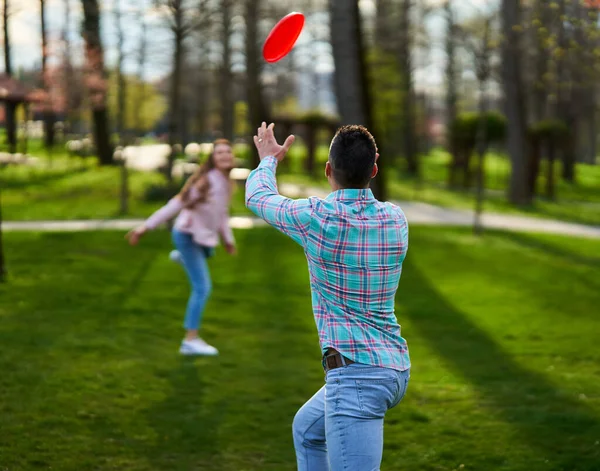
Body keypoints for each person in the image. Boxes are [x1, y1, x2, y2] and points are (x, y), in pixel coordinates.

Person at [246, 122, 410, 470]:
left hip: (356, 380)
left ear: (327, 170)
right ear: (375, 169)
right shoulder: (396, 219)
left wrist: (268, 160)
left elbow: (258, 197)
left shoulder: (318, 217)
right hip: (394, 368)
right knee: (307, 430)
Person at [126, 139, 237, 356]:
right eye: (219, 152)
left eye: (228, 152)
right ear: (212, 159)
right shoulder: (204, 182)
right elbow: (175, 205)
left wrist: (228, 239)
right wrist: (144, 228)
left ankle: (182, 257)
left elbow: (222, 214)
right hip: (186, 235)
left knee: (208, 252)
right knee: (202, 288)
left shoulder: (226, 182)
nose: (225, 155)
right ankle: (190, 341)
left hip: (202, 238)